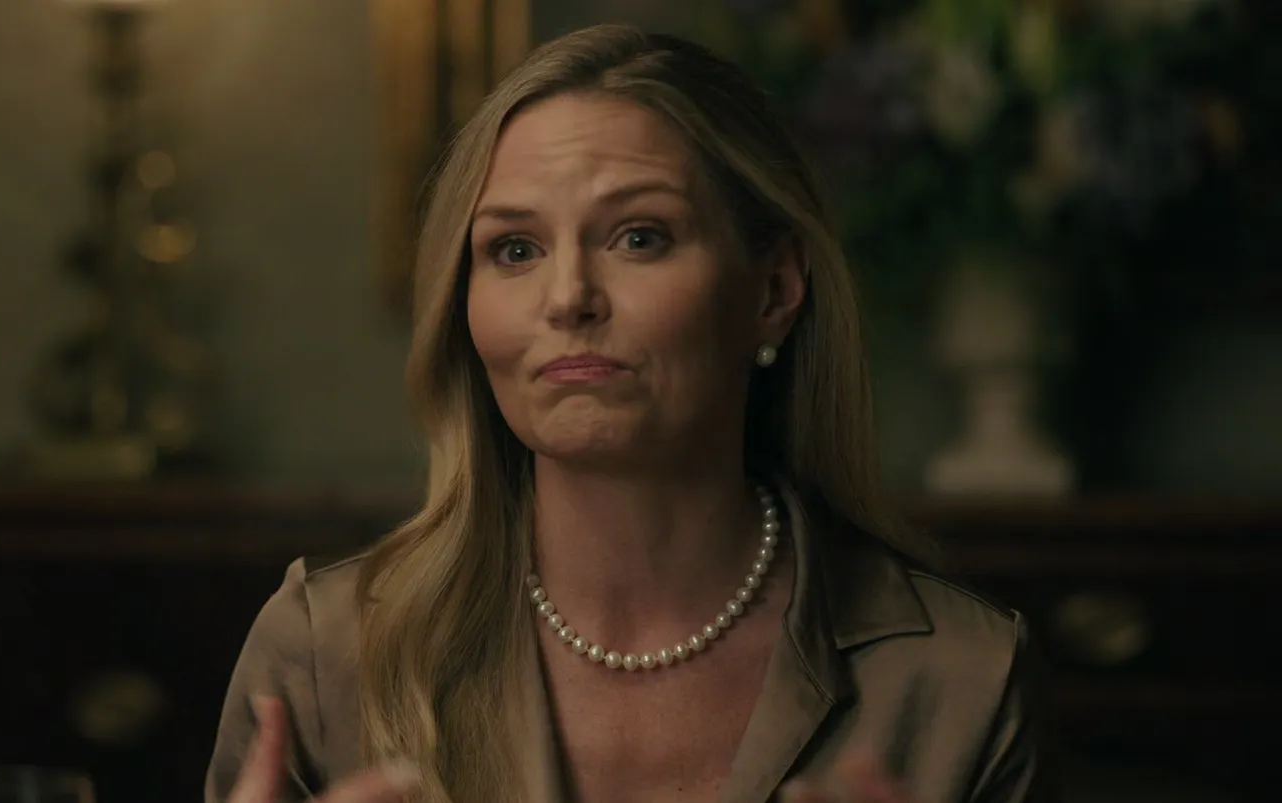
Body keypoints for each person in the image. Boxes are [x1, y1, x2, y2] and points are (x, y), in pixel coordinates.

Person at [207, 25, 1050, 803]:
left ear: (773, 291)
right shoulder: (323, 653)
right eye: (515, 249)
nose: (568, 296)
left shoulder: (957, 679)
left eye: (639, 237)